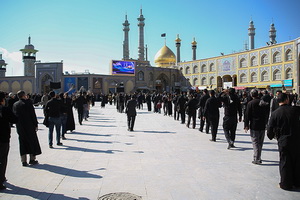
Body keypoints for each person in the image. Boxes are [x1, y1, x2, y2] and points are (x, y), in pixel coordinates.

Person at [267, 93, 300, 190]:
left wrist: (272, 136)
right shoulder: (295, 110)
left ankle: (286, 184)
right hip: (297, 139)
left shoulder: (275, 113)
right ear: (286, 100)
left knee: (285, 162)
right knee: (297, 161)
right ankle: (297, 182)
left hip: (283, 141)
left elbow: (270, 129)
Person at [13, 90, 41, 166]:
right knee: (31, 142)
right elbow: (32, 115)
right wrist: (35, 124)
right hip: (29, 127)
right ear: (24, 95)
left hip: (20, 127)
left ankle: (23, 161)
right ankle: (32, 159)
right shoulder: (28, 103)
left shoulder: (15, 104)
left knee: (22, 143)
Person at [244, 89, 268, 165]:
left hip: (254, 125)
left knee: (255, 142)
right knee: (260, 142)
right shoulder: (263, 102)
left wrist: (246, 125)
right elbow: (267, 114)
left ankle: (257, 158)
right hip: (262, 125)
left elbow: (247, 115)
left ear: (251, 95)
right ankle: (258, 156)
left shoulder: (250, 103)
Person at [0, 91, 18, 190]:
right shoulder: (5, 110)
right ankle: (0, 179)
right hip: (3, 138)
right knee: (2, 159)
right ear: (3, 100)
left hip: (3, 138)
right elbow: (15, 120)